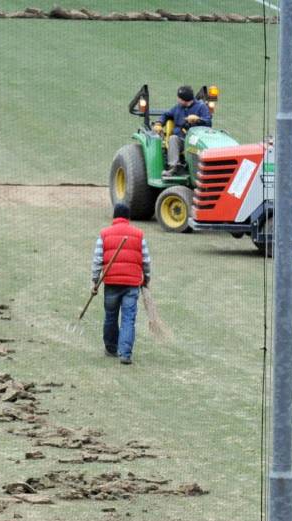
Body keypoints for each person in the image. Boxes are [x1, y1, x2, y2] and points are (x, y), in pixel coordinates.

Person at [91, 203, 150, 365]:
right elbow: (146, 260)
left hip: (111, 282)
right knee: (128, 318)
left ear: (114, 217)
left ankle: (111, 347)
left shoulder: (104, 234)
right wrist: (147, 278)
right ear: (128, 218)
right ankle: (125, 353)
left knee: (110, 316)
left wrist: (94, 281)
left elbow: (97, 260)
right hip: (131, 284)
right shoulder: (139, 234)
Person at [160, 85, 213, 175]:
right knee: (173, 138)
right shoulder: (177, 107)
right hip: (182, 139)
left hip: (196, 139)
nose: (178, 100)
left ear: (183, 100)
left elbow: (208, 122)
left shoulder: (201, 107)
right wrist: (159, 123)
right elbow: (166, 115)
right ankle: (173, 167)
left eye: (179, 98)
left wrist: (198, 119)